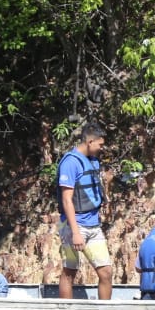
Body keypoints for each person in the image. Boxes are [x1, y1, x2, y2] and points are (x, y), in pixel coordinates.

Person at [57, 123, 113, 300]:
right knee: (69, 271)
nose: (102, 148)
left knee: (106, 272)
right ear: (89, 141)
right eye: (100, 144)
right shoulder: (70, 163)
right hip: (75, 225)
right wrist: (75, 233)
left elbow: (96, 191)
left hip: (93, 225)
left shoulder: (93, 161)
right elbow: (67, 200)